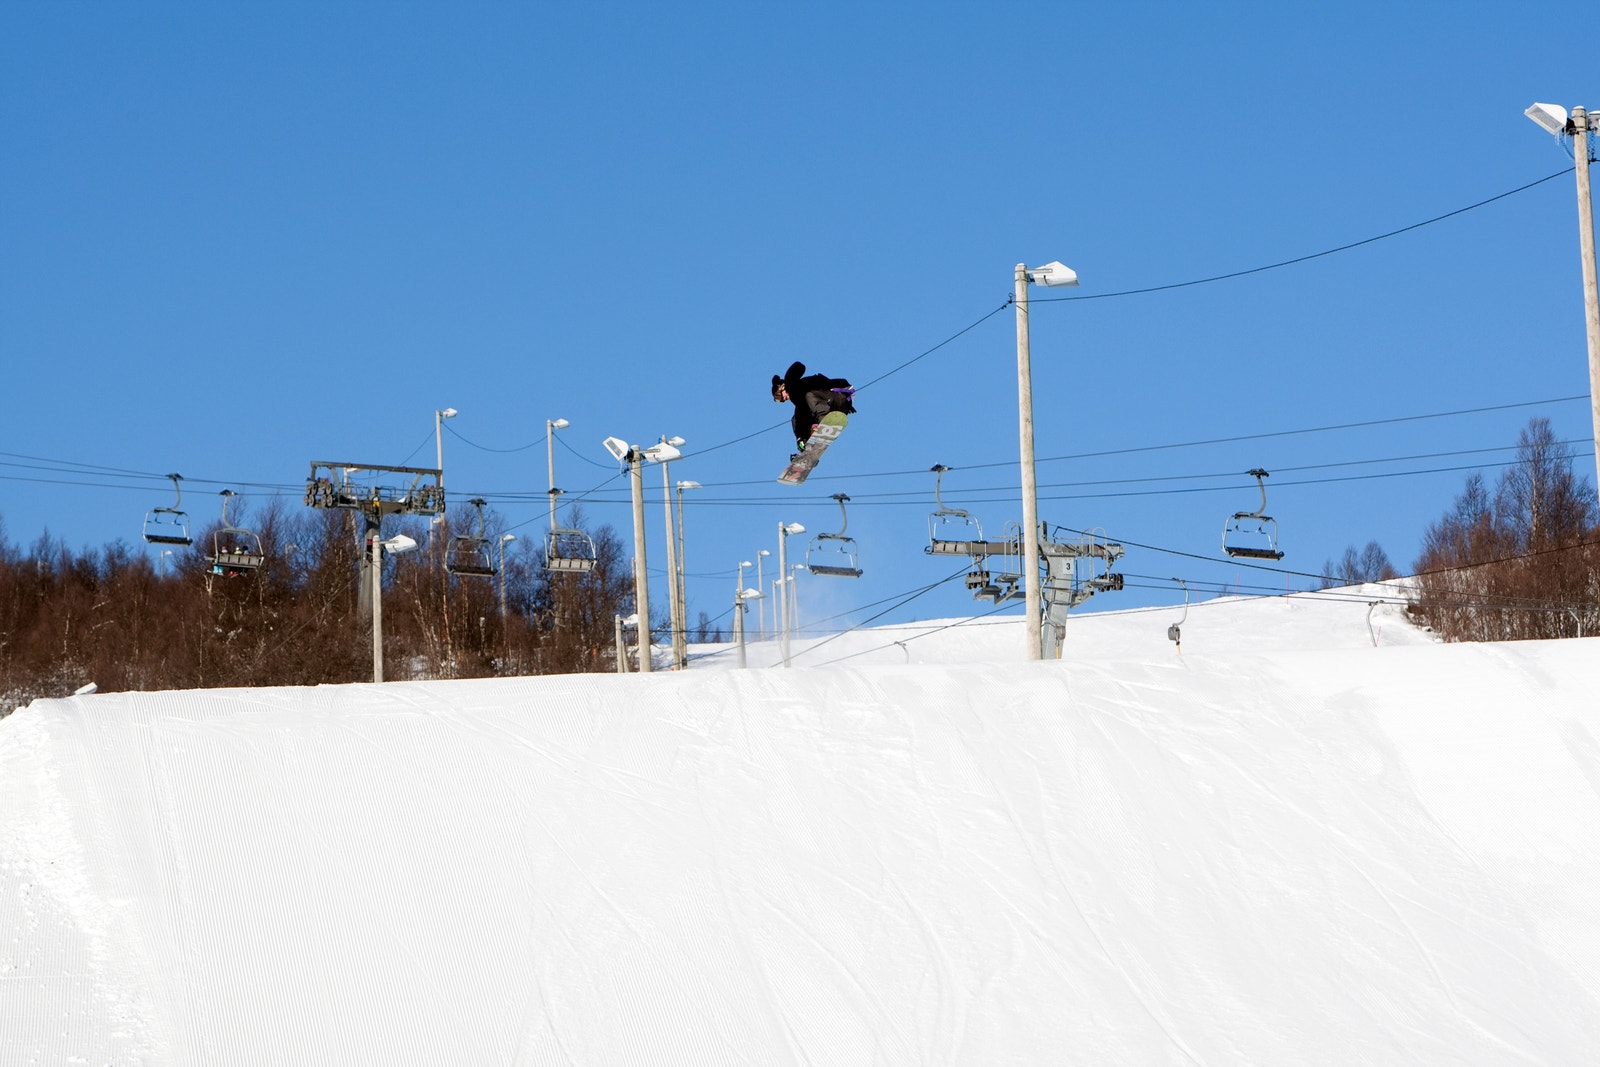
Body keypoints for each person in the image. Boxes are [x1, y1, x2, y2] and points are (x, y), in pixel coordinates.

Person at [771, 361, 855, 455]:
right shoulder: (800, 401)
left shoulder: (796, 386)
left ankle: (824, 421)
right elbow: (800, 416)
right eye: (780, 400)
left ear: (782, 387)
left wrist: (788, 379)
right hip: (829, 405)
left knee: (809, 396)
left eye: (780, 396)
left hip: (840, 396)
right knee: (795, 419)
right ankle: (807, 447)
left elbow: (800, 366)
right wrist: (800, 439)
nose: (783, 400)